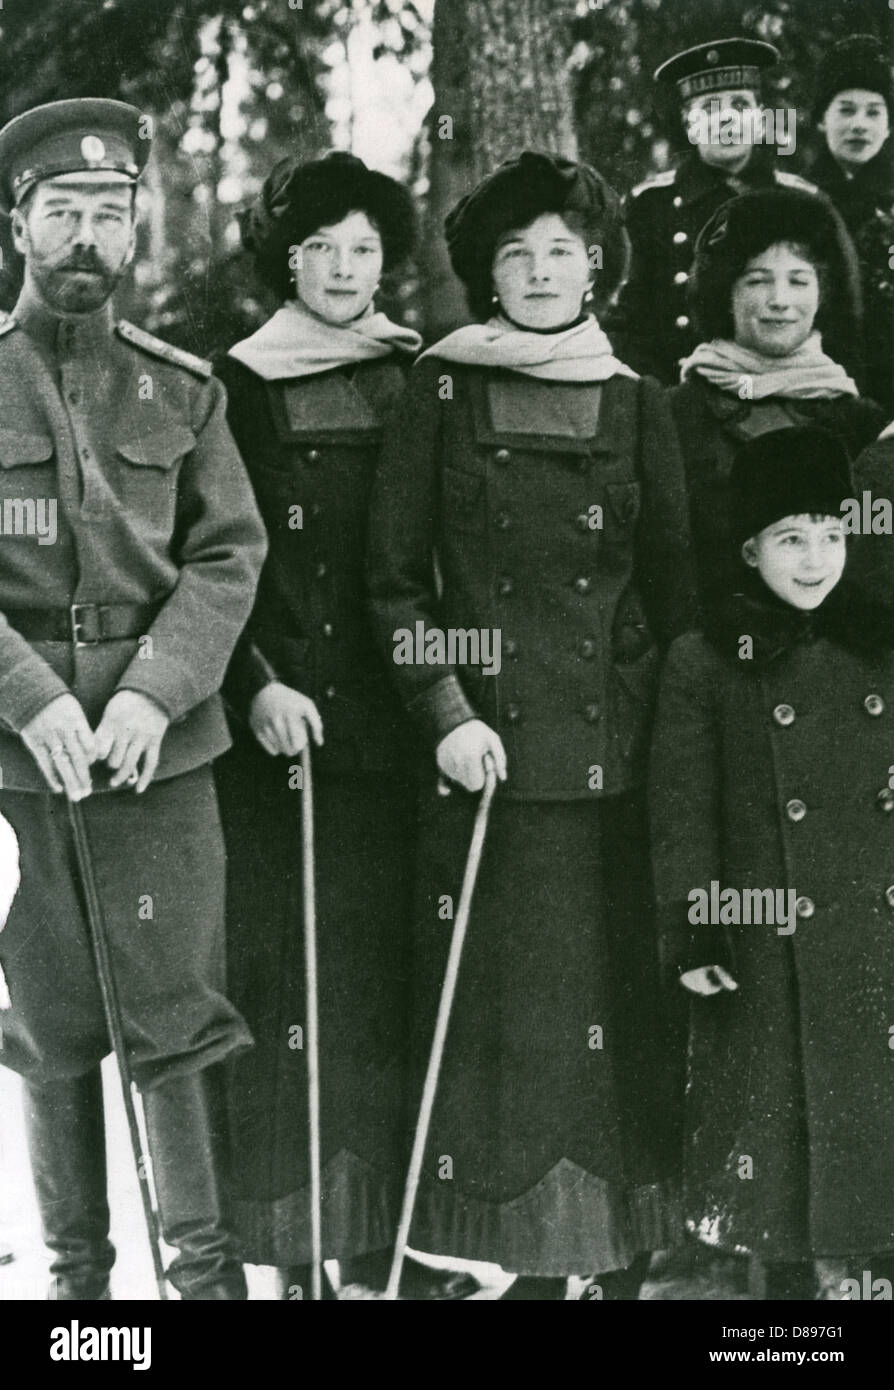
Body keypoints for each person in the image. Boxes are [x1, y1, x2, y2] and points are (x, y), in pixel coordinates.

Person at [368, 150, 695, 1300]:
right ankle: (476, 1263)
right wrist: (448, 711)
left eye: (564, 248)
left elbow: (672, 594)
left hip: (613, 770)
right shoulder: (440, 388)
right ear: (485, 276)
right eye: (517, 253)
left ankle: (601, 1262)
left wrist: (651, 732)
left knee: (606, 1025)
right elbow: (396, 586)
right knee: (494, 1034)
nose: (543, 269)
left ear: (599, 265)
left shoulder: (635, 397)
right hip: (484, 771)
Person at [0, 99, 267, 1301]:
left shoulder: (183, 391)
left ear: (136, 229)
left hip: (161, 759)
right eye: (64, 213)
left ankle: (200, 1291)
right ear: (18, 225)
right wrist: (30, 697)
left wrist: (155, 694)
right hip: (19, 764)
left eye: (110, 214)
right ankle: (75, 1302)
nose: (87, 239)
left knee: (178, 1022)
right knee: (48, 1030)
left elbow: (229, 556)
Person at [215, 152, 475, 1300]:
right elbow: (217, 555)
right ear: (286, 257)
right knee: (293, 996)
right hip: (286, 729)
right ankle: (292, 1248)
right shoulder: (237, 379)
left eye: (365, 249)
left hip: (399, 724)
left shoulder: (420, 374)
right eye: (321, 246)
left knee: (387, 987)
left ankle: (386, 1240)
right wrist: (257, 681)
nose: (343, 268)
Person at [649, 426, 894, 1300]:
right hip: (763, 938)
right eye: (792, 538)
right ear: (750, 549)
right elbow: (683, 813)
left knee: (873, 1118)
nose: (816, 559)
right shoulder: (706, 655)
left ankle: (861, 1276)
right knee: (775, 1133)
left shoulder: (879, 642)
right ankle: (781, 1313)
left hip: (876, 924)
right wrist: (695, 931)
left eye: (833, 535)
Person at [668, 185, 886, 604]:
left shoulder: (863, 424)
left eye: (799, 280)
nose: (779, 300)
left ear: (823, 293)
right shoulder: (676, 413)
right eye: (757, 280)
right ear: (725, 293)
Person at [607, 37, 816, 384]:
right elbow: (624, 321)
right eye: (709, 108)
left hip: (783, 394)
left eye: (739, 103)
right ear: (689, 124)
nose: (726, 119)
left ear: (761, 118)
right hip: (677, 399)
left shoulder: (802, 203)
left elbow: (836, 316)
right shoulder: (648, 206)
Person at [810, 34, 894, 415]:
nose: (859, 125)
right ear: (820, 119)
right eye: (845, 110)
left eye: (873, 112)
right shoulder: (798, 199)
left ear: (889, 125)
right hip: (817, 385)